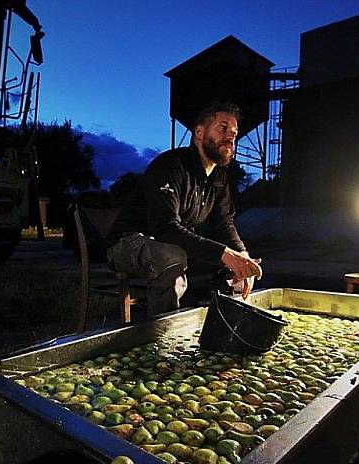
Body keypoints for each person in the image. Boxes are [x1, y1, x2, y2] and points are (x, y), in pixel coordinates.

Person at [105, 102, 262, 316]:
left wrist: (242, 256)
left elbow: (224, 222)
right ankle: (162, 335)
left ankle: (221, 324)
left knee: (235, 264)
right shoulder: (170, 165)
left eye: (234, 133)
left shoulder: (220, 178)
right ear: (199, 132)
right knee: (172, 255)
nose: (230, 137)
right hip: (127, 243)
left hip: (172, 243)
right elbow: (165, 227)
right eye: (222, 128)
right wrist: (224, 253)